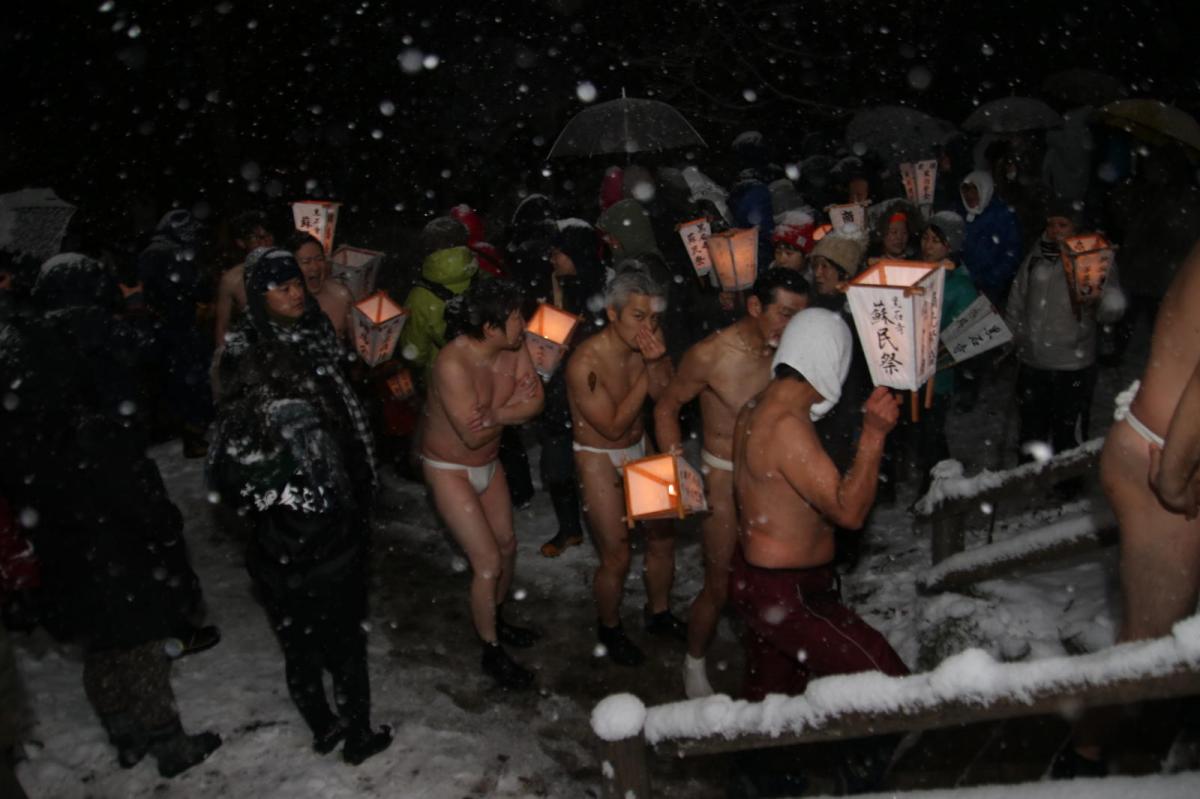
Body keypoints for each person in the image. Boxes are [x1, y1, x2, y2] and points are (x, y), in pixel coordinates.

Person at [2, 254, 220, 777]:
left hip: (62, 546)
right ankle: (168, 744)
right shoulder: (92, 427)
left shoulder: (25, 430)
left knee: (98, 646)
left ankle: (122, 735)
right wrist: (163, 530)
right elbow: (137, 499)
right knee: (140, 645)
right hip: (114, 547)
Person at [209, 247, 392, 764]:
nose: (295, 292)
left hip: (324, 518)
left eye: (297, 282)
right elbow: (241, 458)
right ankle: (344, 730)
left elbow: (340, 406)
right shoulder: (250, 353)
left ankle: (338, 726)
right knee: (324, 640)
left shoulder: (312, 330)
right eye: (280, 286)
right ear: (256, 295)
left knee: (311, 636)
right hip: (299, 526)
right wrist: (296, 490)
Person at [729, 308, 909, 792]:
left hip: (763, 584)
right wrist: (873, 436)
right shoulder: (785, 423)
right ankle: (857, 778)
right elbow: (848, 512)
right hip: (786, 596)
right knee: (890, 686)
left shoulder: (755, 407)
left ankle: (767, 784)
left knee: (770, 715)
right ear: (831, 360)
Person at [1053, 239, 1200, 779]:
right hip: (1163, 465)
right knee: (1147, 643)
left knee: (1164, 637)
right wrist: (1175, 475)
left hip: (1167, 453)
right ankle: (1080, 762)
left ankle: (1159, 739)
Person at [653, 268, 810, 698]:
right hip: (722, 474)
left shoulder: (794, 353)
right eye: (783, 314)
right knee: (719, 580)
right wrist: (676, 466)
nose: (790, 326)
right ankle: (694, 660)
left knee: (777, 574)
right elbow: (666, 406)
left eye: (799, 316)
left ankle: (773, 658)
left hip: (773, 476)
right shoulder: (710, 354)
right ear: (755, 306)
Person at [420, 279, 545, 689]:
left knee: (508, 545)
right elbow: (471, 436)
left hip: (489, 464)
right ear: (489, 328)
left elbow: (537, 403)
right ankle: (491, 650)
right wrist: (511, 409)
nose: (523, 326)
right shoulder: (453, 365)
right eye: (513, 319)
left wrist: (494, 415)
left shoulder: (514, 346)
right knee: (488, 561)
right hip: (449, 469)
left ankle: (497, 614)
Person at [566, 265, 678, 666]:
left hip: (641, 446)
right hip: (598, 456)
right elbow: (612, 427)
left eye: (654, 318)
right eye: (638, 316)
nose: (648, 327)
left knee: (663, 540)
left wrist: (658, 364)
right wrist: (649, 372)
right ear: (612, 314)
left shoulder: (651, 342)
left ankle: (659, 613)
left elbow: (666, 397)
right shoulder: (585, 362)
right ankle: (610, 628)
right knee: (616, 555)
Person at [1007, 203, 1125, 465]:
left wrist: (1108, 305)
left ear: (1075, 228)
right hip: (1033, 359)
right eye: (1051, 224)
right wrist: (1014, 332)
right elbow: (1018, 296)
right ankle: (1027, 479)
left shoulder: (1090, 257)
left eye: (1062, 224)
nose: (1054, 230)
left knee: (1068, 429)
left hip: (1072, 361)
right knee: (1032, 426)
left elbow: (1109, 305)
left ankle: (1067, 485)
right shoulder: (1037, 255)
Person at [533, 219, 608, 558]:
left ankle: (611, 535)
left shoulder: (602, 291)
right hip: (558, 396)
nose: (552, 258)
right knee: (557, 467)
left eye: (559, 253)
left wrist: (576, 344)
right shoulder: (553, 285)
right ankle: (569, 529)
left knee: (601, 473)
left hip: (594, 396)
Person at [398, 215, 478, 377]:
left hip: (446, 378)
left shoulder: (420, 297)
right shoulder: (481, 276)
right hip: (485, 371)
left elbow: (415, 355)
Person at [958, 170, 1024, 312]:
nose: (969, 196)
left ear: (984, 189)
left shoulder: (1003, 214)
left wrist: (991, 279)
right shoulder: (962, 214)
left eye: (974, 190)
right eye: (966, 191)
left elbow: (1012, 253)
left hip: (994, 288)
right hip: (966, 285)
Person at [213, 210, 275, 346]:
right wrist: (220, 359)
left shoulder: (290, 267)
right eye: (255, 238)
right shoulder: (231, 279)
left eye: (267, 235)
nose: (264, 242)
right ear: (241, 243)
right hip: (253, 350)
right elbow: (222, 327)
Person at [287, 229, 354, 341]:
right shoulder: (282, 305)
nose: (315, 267)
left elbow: (355, 341)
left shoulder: (342, 296)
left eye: (319, 259)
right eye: (306, 262)